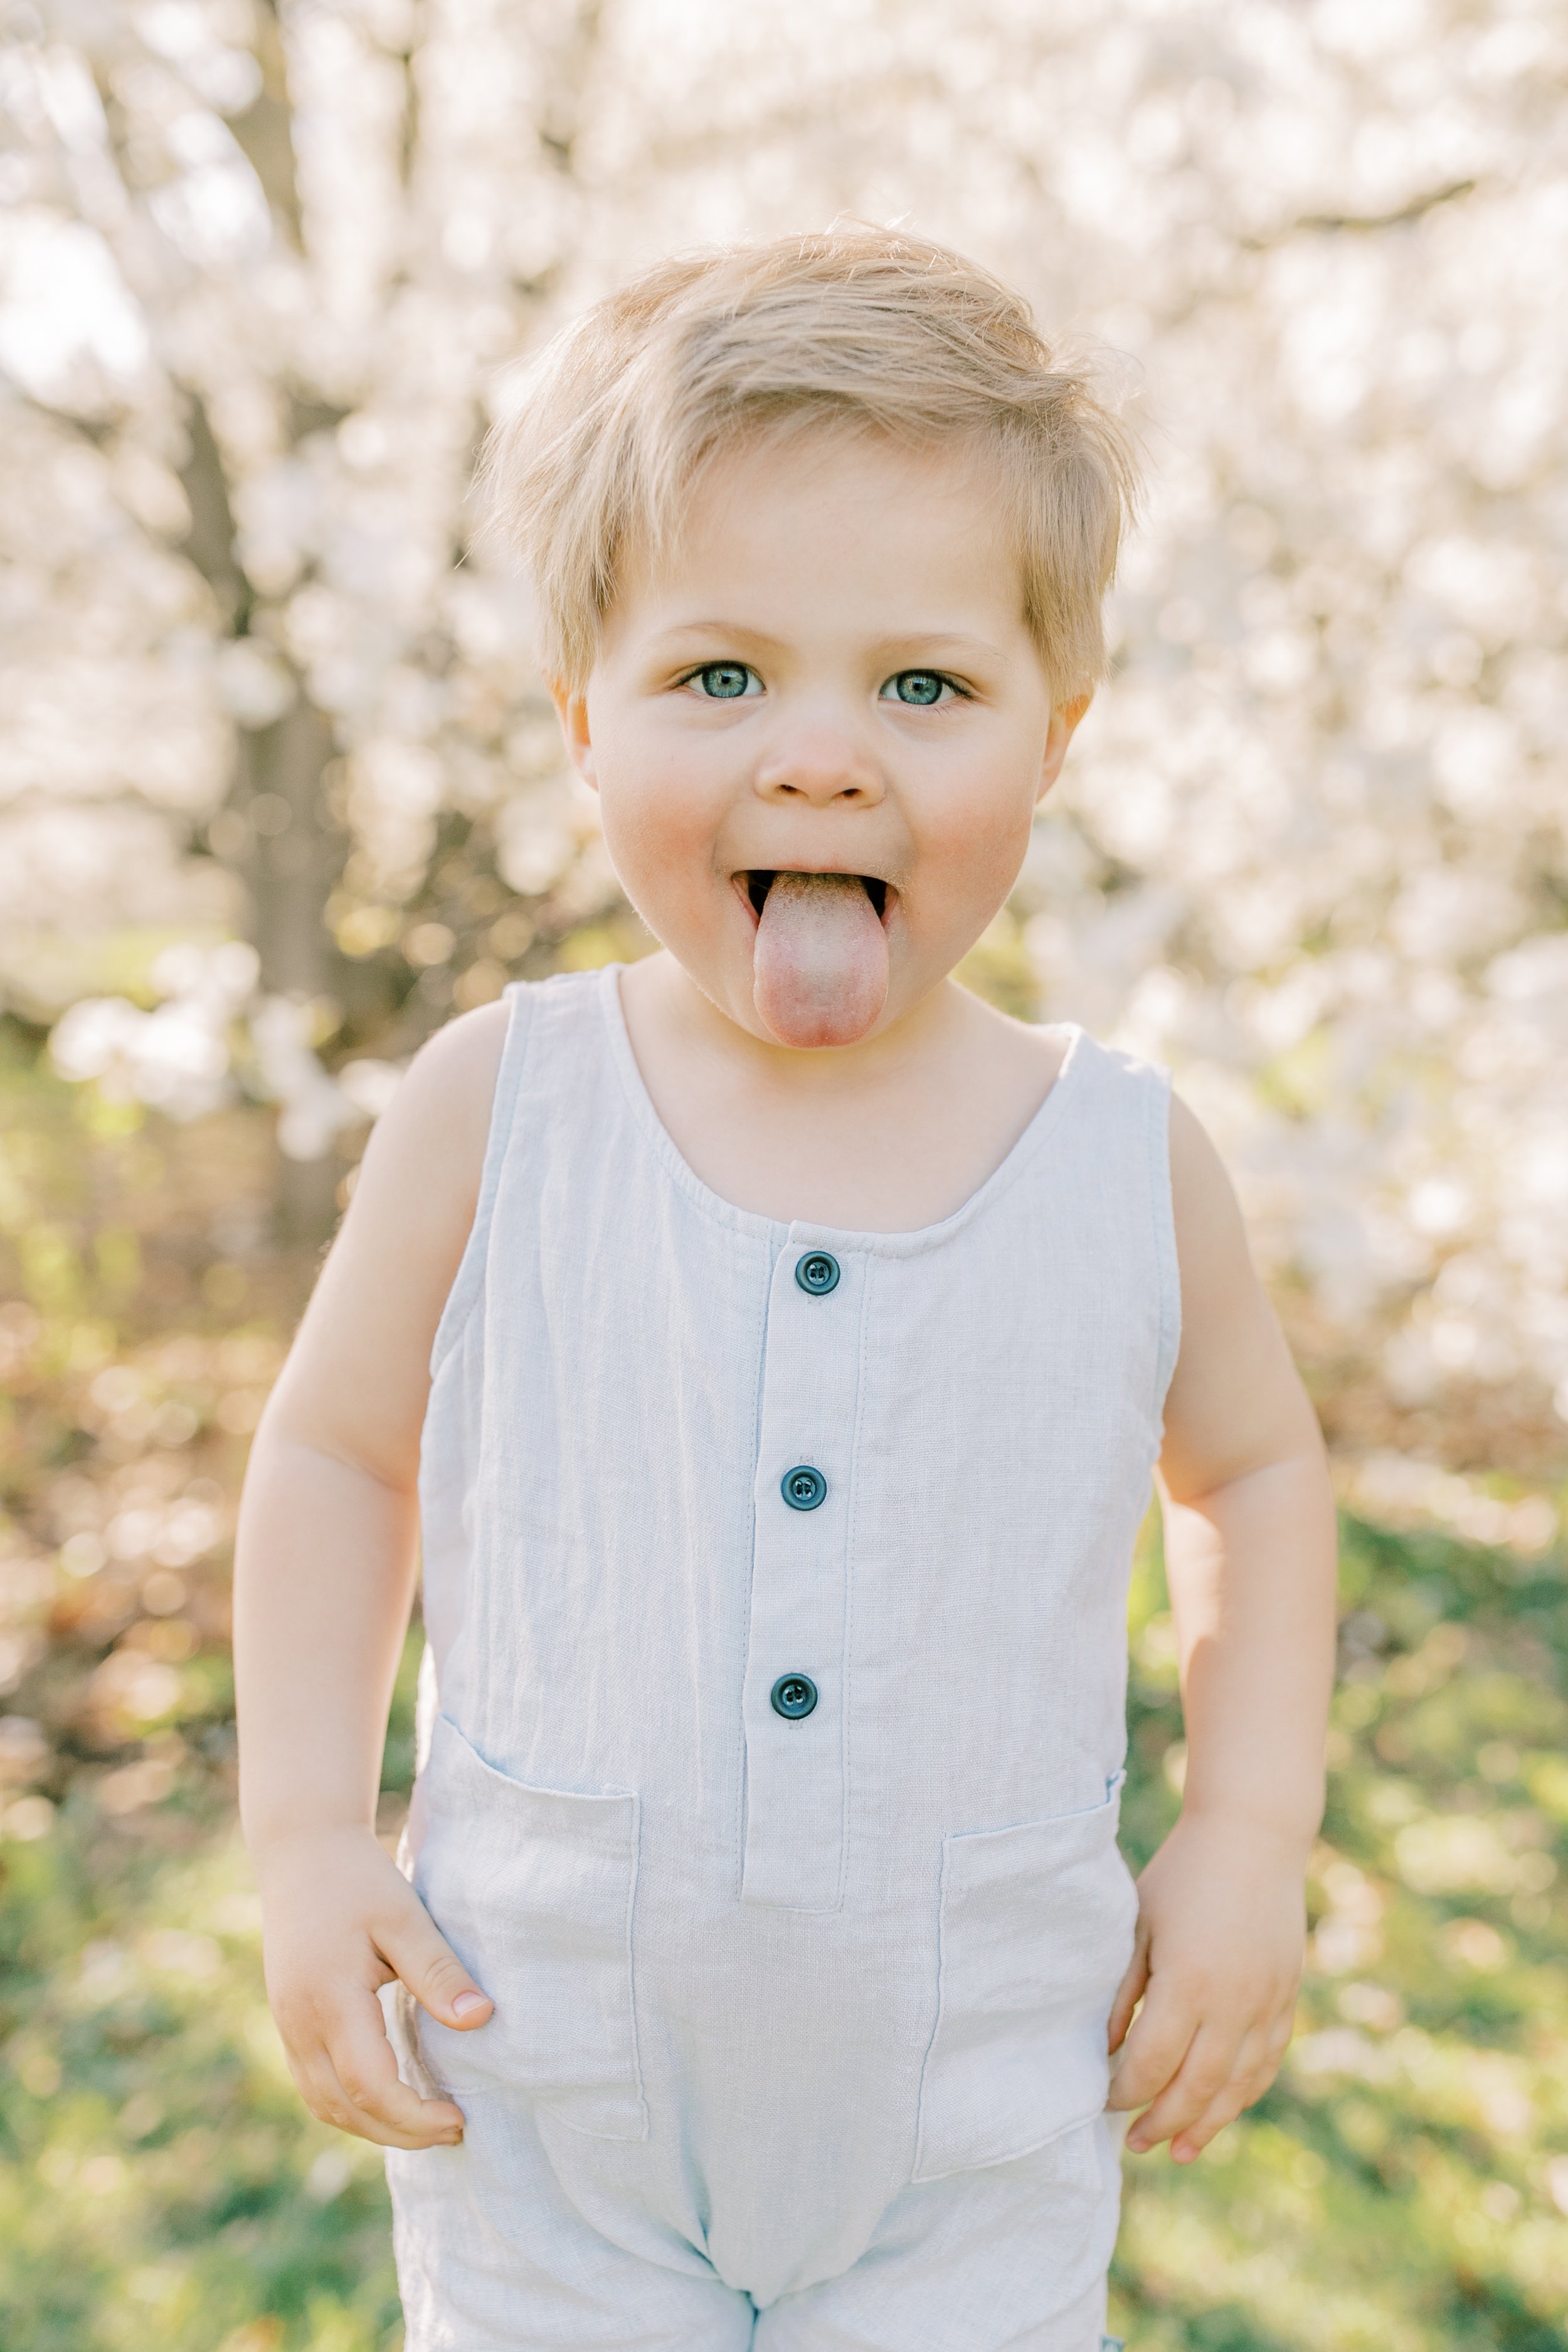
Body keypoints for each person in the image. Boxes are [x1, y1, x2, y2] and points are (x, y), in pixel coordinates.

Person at [233, 227, 1338, 2352]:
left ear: (1056, 733)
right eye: (718, 676)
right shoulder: (501, 1103)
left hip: (976, 2121)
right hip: (549, 2104)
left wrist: (1246, 1828)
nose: (820, 757)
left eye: (920, 687)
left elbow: (1259, 1476)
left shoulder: (1119, 1154)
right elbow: (335, 1451)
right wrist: (302, 1832)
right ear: (582, 720)